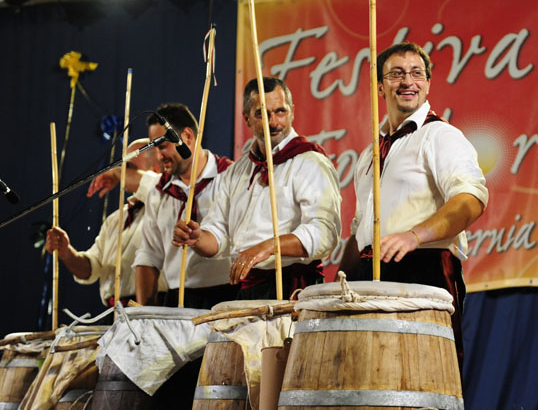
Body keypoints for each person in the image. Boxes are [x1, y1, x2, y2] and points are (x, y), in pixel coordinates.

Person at [351, 42, 489, 367]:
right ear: (379, 85)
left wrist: (413, 236)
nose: (408, 82)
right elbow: (360, 229)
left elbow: (472, 199)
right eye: (397, 74)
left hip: (423, 268)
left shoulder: (441, 136)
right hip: (371, 274)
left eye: (417, 73)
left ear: (428, 83)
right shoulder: (368, 154)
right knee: (374, 378)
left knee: (421, 373)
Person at [172, 77, 342, 299]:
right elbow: (218, 234)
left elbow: (325, 233)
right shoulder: (238, 170)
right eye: (262, 114)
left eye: (280, 111)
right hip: (248, 288)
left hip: (294, 287)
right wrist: (197, 238)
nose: (273, 122)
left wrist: (269, 247)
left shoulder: (309, 161)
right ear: (247, 119)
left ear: (292, 111)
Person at [133, 103, 237, 309]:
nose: (159, 156)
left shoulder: (231, 177)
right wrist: (142, 311)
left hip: (227, 295)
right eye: (155, 148)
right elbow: (150, 254)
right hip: (178, 298)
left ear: (188, 137)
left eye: (163, 146)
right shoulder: (159, 192)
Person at [44, 138, 162, 307]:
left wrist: (115, 173)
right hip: (113, 314)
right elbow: (91, 269)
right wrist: (67, 252)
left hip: (150, 311)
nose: (121, 172)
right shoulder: (115, 220)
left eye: (129, 167)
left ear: (155, 170)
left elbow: (155, 187)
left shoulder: (167, 207)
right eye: (122, 166)